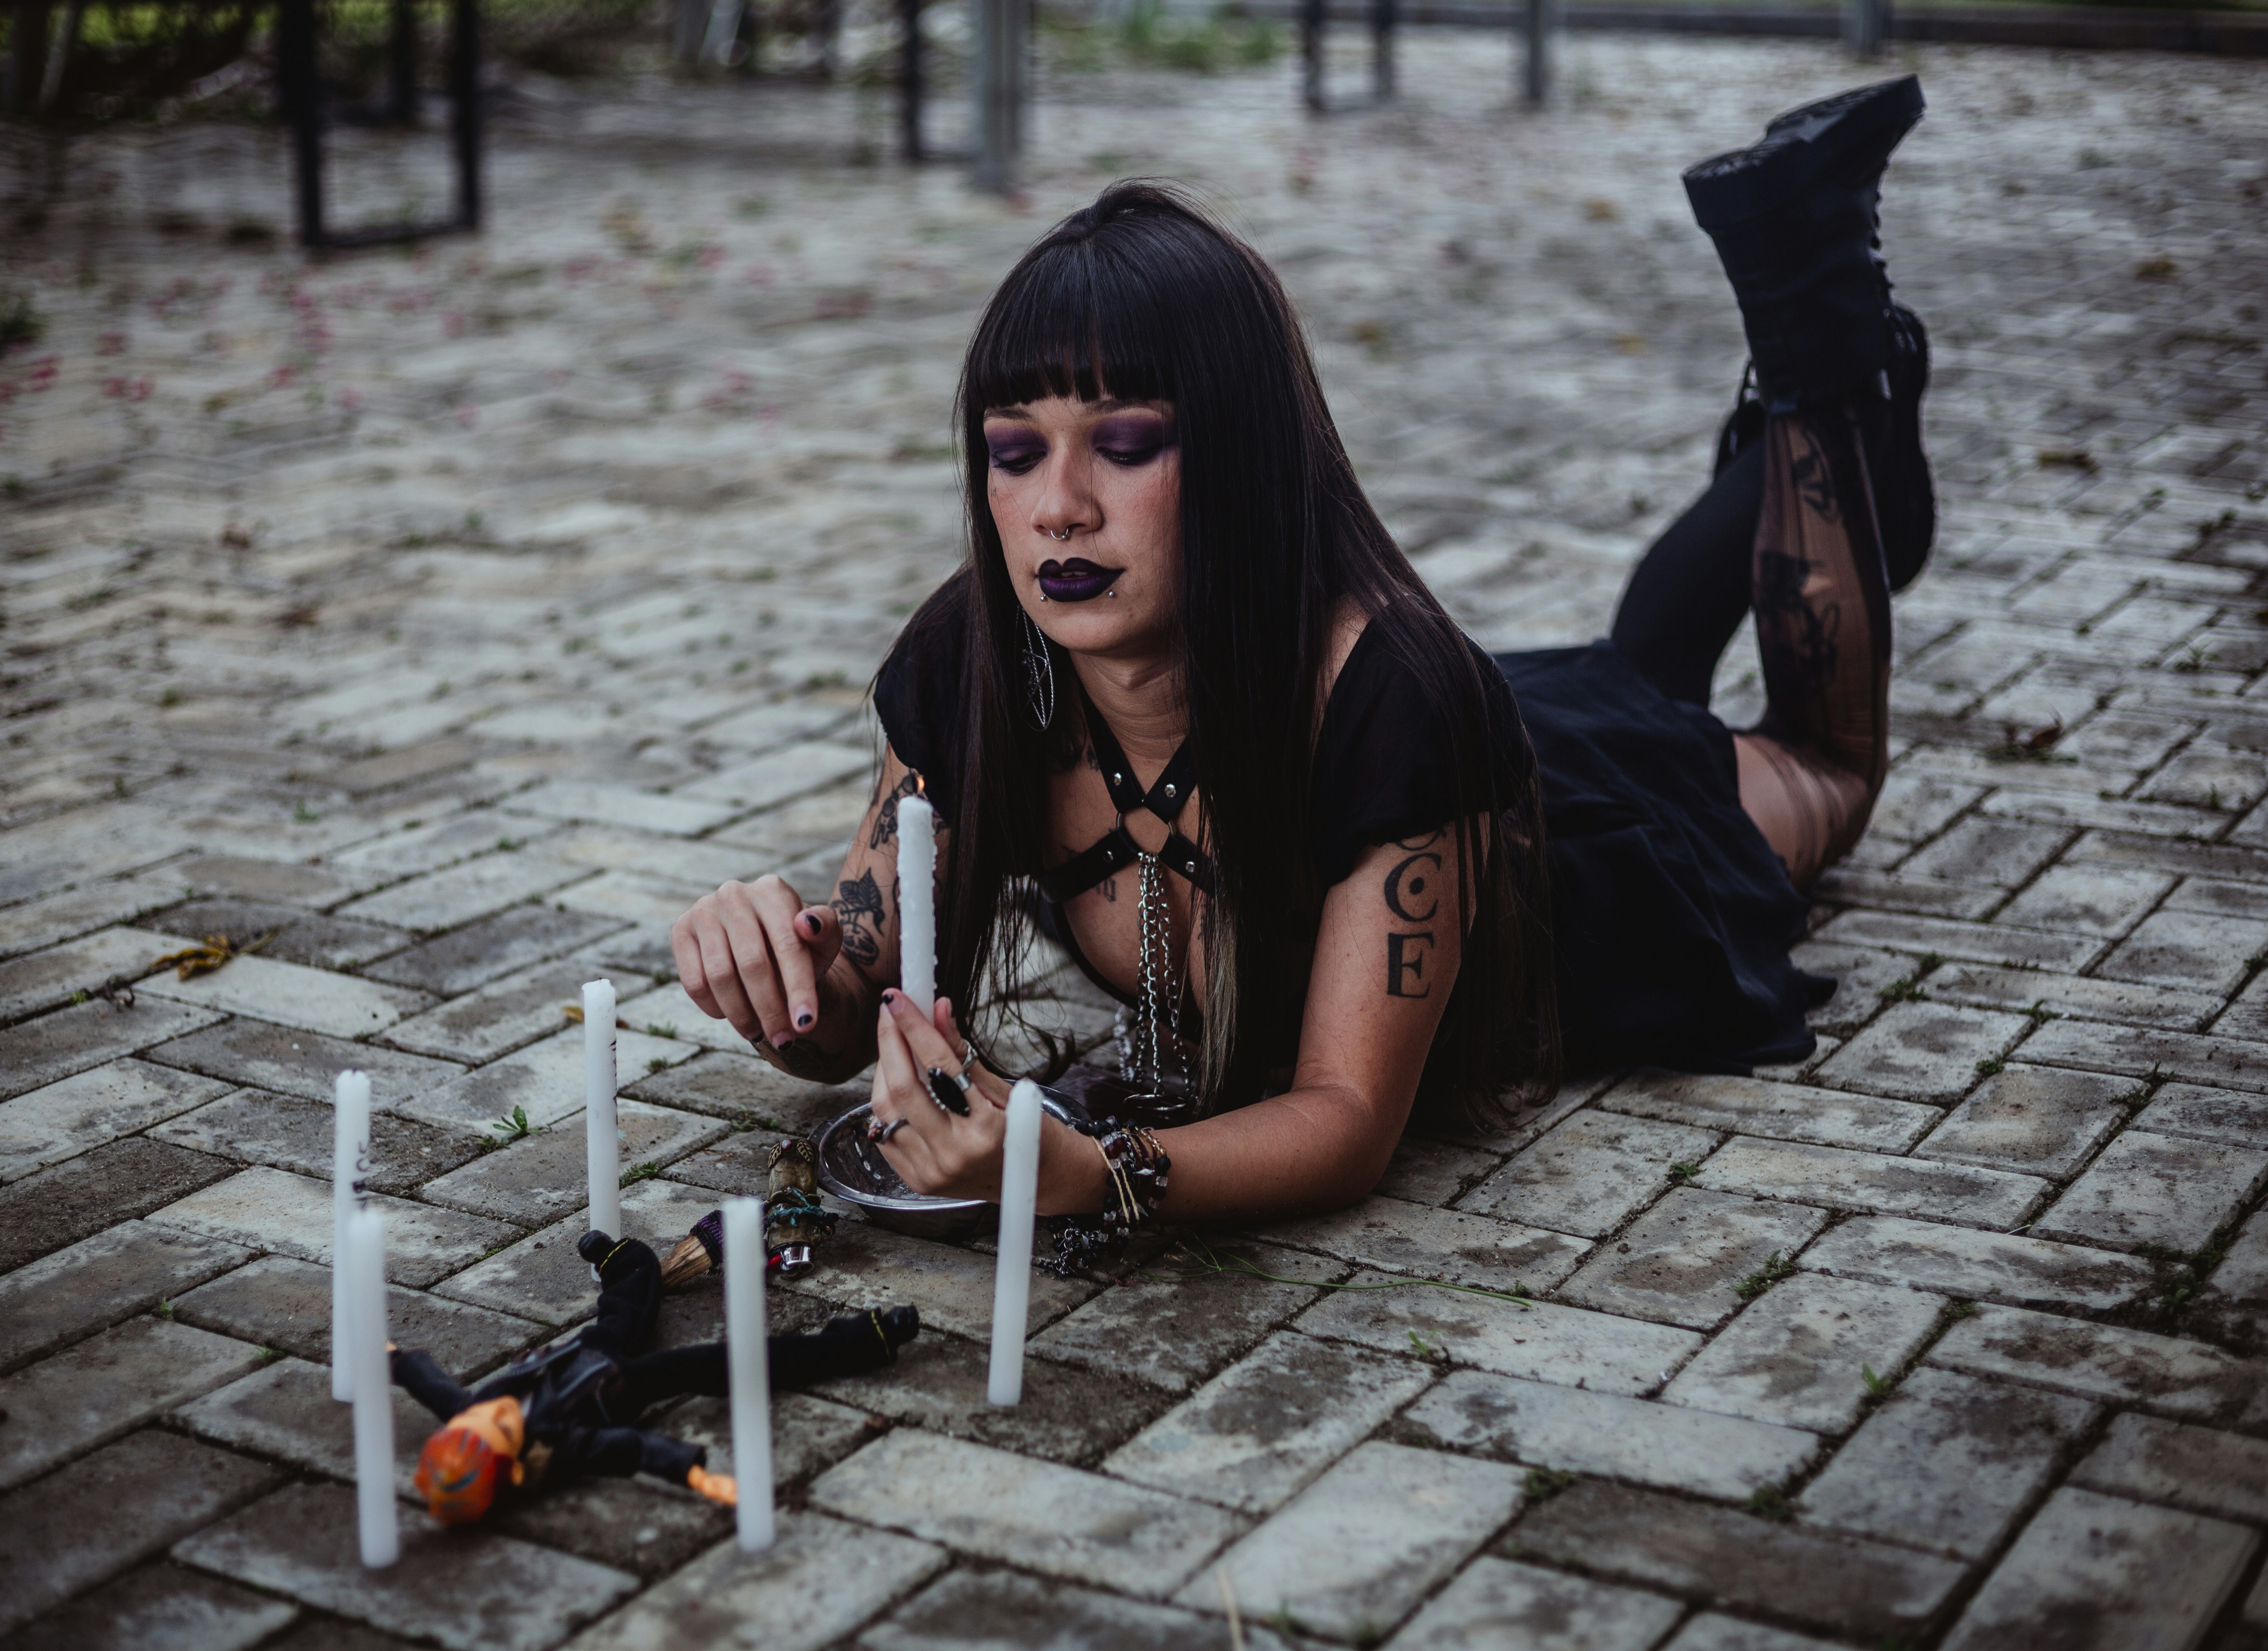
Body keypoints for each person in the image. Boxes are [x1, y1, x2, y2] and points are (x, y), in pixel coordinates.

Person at [669, 79, 1933, 1246]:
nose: (1058, 506)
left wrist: (1093, 1171)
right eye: (1015, 451)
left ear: (1240, 458)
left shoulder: (1395, 706)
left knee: (1823, 763)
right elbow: (850, 1006)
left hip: (1593, 841)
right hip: (1461, 724)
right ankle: (1792, 447)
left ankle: (1825, 351)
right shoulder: (974, 665)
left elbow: (1344, 1118)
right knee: (1637, 660)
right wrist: (771, 965)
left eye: (1123, 442)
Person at [393, 1229, 920, 1522]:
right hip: (628, 1381)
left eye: (483, 1415)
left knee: (626, 1306)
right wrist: (697, 1474)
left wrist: (389, 1354)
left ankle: (627, 1262)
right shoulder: (564, 1446)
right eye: (502, 1426)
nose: (498, 1410)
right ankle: (862, 1341)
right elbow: (633, 1451)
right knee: (724, 1365)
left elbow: (426, 1378)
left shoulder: (466, 1415)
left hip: (582, 1351)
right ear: (513, 1467)